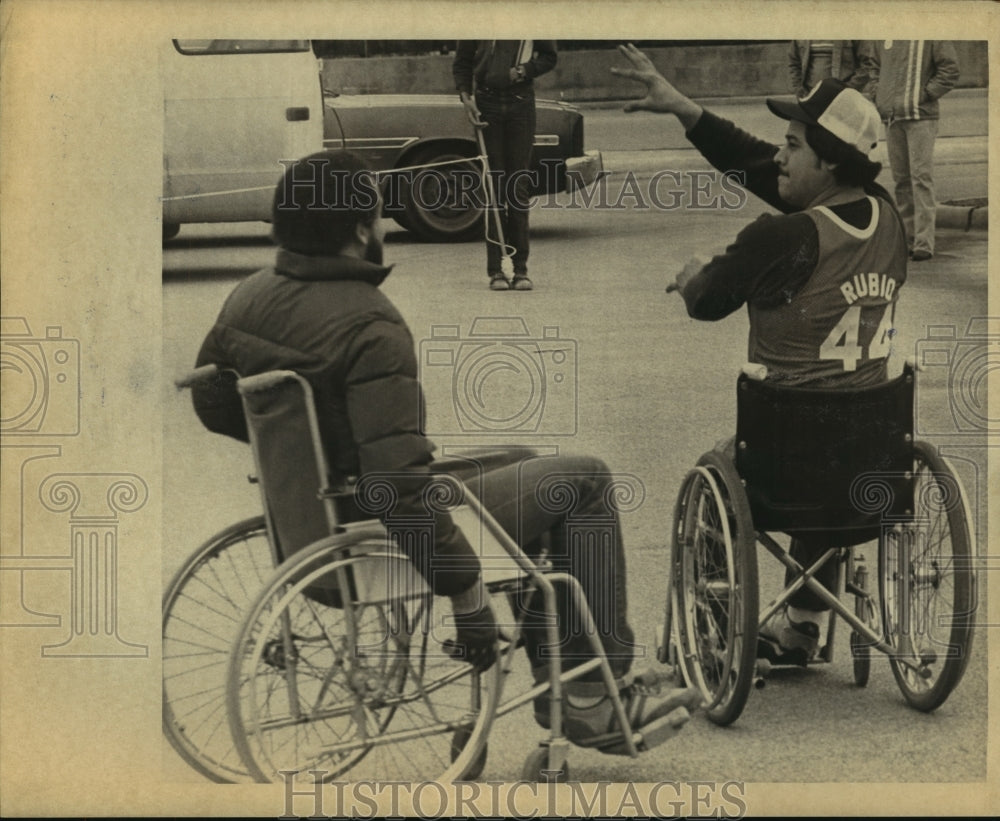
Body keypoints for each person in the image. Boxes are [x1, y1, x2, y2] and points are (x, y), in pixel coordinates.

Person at [191, 148, 700, 754]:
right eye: (376, 218)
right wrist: (466, 596)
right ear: (360, 230)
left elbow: (215, 402)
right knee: (584, 480)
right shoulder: (370, 324)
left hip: (312, 513)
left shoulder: (248, 295)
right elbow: (400, 488)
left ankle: (563, 672)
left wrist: (305, 450)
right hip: (371, 520)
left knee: (521, 455)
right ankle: (590, 693)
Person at [611, 44, 907, 657]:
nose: (779, 153)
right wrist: (685, 110)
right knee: (830, 433)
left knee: (720, 469)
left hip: (783, 454)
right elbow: (758, 165)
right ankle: (800, 623)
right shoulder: (888, 219)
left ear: (827, 163)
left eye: (794, 145)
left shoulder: (786, 237)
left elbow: (708, 302)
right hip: (874, 452)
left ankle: (716, 634)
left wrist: (696, 273)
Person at [452, 40, 557, 291]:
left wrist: (523, 71)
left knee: (517, 188)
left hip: (520, 102)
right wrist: (466, 99)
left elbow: (549, 57)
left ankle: (520, 269)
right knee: (495, 188)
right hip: (486, 103)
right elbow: (462, 64)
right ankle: (496, 270)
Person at [864, 40, 960, 261]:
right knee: (901, 181)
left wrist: (926, 93)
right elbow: (873, 67)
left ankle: (924, 243)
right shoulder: (884, 34)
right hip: (892, 118)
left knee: (921, 178)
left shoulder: (930, 32)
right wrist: (879, 95)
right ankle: (907, 239)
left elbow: (950, 68)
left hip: (921, 117)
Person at [787, 40, 870, 98]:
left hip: (842, 99)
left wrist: (849, 89)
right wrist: (799, 89)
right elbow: (794, 63)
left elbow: (867, 64)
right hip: (809, 98)